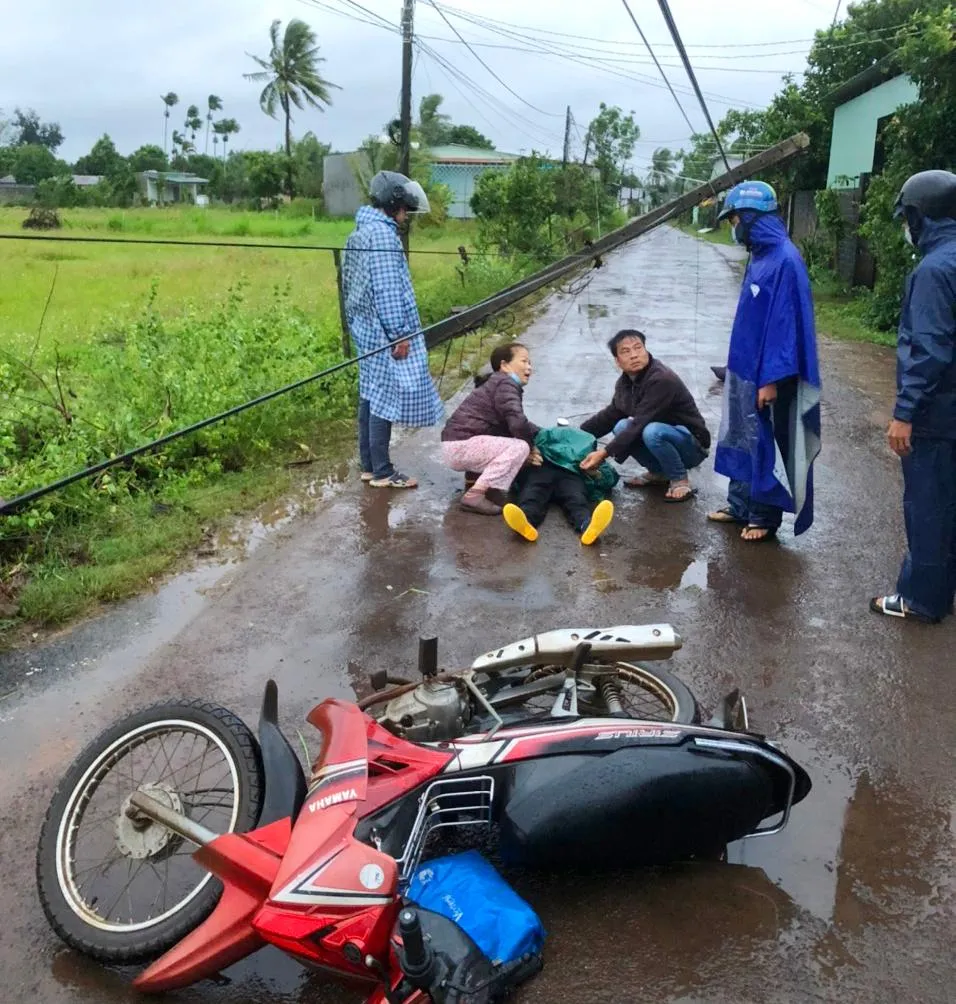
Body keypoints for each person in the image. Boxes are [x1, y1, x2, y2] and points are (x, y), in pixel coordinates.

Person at [707, 180, 821, 542]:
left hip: (766, 376)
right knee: (740, 436)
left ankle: (764, 516)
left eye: (735, 219)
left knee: (763, 441)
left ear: (753, 217)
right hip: (744, 368)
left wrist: (770, 379)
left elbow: (784, 326)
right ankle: (739, 505)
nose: (733, 226)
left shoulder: (786, 260)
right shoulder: (760, 256)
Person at [871, 169, 956, 624]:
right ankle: (945, 587)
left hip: (937, 415)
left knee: (928, 507)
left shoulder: (934, 269)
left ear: (919, 216)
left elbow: (930, 348)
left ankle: (922, 599)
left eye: (906, 216)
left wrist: (905, 412)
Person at [342, 170, 444, 490]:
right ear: (394, 204)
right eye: (404, 209)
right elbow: (386, 291)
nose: (406, 215)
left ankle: (370, 466)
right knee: (383, 398)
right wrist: (398, 334)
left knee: (370, 394)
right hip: (383, 330)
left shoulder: (362, 232)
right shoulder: (384, 236)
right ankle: (384, 472)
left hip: (365, 327)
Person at [579, 329, 710, 502]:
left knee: (651, 431)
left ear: (646, 350)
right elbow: (612, 414)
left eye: (638, 348)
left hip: (692, 445)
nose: (634, 355)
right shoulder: (625, 383)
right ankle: (658, 473)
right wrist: (579, 435)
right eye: (626, 351)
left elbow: (639, 423)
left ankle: (680, 479)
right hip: (664, 437)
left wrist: (603, 453)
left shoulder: (661, 379)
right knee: (621, 426)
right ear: (617, 361)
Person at [441, 343, 541, 515]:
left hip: (456, 446)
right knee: (520, 447)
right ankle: (475, 495)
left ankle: (473, 480)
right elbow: (517, 422)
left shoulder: (497, 382)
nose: (529, 367)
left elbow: (514, 422)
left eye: (530, 363)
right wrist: (531, 448)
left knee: (503, 437)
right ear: (504, 365)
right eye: (524, 361)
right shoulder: (505, 383)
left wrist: (541, 432)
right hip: (460, 447)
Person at [503, 425, 617, 546]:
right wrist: (596, 474)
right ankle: (586, 525)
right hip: (570, 475)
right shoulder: (587, 452)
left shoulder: (539, 445)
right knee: (576, 500)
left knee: (533, 495)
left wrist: (596, 473)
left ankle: (525, 520)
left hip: (545, 471)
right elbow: (610, 477)